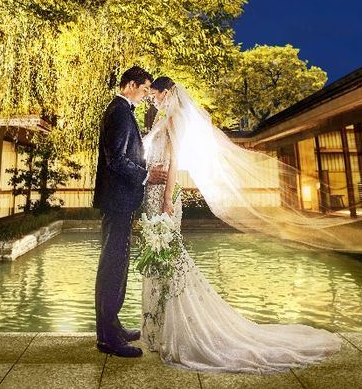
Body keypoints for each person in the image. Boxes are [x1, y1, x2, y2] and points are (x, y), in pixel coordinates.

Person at [141, 76, 341, 372]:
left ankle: (182, 331)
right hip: (152, 193)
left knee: (169, 259)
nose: (152, 99)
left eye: (155, 95)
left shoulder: (174, 119)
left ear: (167, 93)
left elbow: (173, 164)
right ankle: (159, 329)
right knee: (159, 260)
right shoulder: (161, 119)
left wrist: (168, 199)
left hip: (163, 196)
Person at [94, 65, 169, 358]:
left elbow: (123, 156)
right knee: (113, 267)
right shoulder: (120, 112)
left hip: (117, 200)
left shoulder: (120, 111)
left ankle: (110, 328)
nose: (146, 95)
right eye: (144, 89)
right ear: (130, 85)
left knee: (114, 265)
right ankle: (110, 339)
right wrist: (146, 175)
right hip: (117, 201)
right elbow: (116, 159)